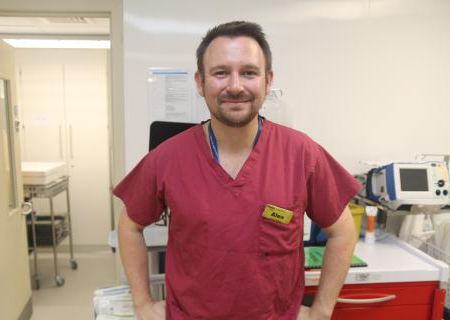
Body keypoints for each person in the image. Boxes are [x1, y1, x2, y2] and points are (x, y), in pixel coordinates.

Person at [115, 21, 361, 320]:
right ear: (200, 82)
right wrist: (142, 305)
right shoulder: (167, 158)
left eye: (248, 72)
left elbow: (343, 232)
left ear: (267, 81)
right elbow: (129, 227)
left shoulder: (301, 153)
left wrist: (321, 311)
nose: (235, 86)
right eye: (221, 73)